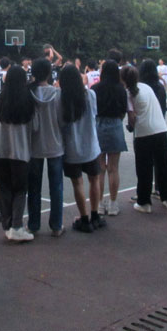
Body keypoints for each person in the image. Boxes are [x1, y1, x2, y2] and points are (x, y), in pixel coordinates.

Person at [121, 65, 167, 213]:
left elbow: (132, 117)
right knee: (164, 165)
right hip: (160, 128)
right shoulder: (146, 87)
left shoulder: (128, 93)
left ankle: (144, 202)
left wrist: (130, 126)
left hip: (143, 133)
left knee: (144, 168)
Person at [0, 66, 36, 242]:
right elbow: (35, 127)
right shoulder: (28, 100)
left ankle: (7, 225)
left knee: (4, 189)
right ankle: (17, 226)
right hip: (20, 151)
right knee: (19, 189)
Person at [58, 64, 103, 233]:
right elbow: (94, 115)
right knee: (94, 179)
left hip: (71, 148)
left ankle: (84, 219)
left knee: (78, 183)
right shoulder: (90, 95)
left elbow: (60, 122)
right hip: (91, 145)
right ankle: (95, 215)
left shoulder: (61, 99)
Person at [27, 58, 65, 236]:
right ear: (49, 73)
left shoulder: (29, 93)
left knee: (33, 188)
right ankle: (56, 226)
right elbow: (62, 120)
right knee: (56, 187)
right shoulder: (57, 94)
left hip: (34, 146)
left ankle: (33, 225)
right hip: (55, 144)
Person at [92, 60, 128, 216]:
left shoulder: (95, 89)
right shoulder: (121, 89)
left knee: (100, 168)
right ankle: (113, 203)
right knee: (113, 168)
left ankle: (99, 203)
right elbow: (123, 111)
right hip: (115, 125)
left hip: (98, 125)